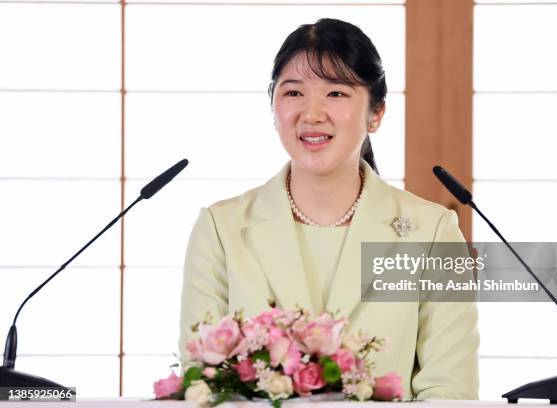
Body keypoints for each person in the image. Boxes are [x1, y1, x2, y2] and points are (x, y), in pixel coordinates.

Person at [179, 18, 479, 400]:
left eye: (336, 94)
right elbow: (202, 384)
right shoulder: (221, 229)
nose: (312, 113)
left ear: (377, 113)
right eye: (293, 93)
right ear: (273, 107)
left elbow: (449, 389)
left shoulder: (432, 232)